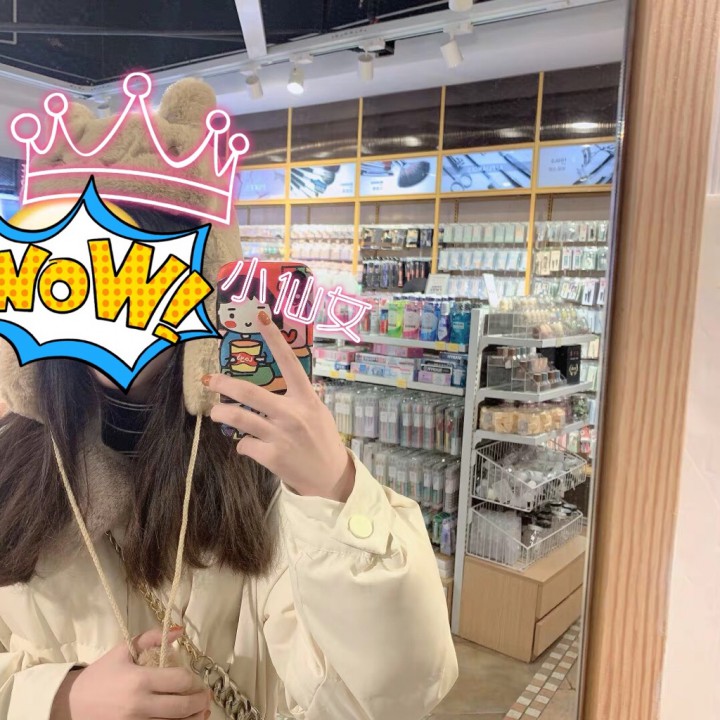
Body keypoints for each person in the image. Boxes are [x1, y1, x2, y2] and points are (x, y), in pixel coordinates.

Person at [0, 76, 458, 720]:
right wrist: (58, 698)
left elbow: (385, 697)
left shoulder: (261, 469)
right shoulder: (11, 461)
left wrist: (334, 494)